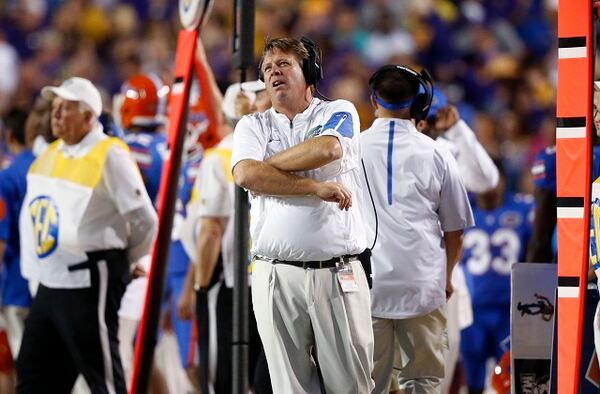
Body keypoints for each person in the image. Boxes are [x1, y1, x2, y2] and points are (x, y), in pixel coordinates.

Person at [231, 37, 374, 393]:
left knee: (351, 385)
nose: (273, 72)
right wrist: (313, 188)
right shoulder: (252, 125)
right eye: (267, 68)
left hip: (337, 271)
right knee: (288, 388)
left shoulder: (338, 111)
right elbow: (244, 176)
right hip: (273, 272)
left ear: (309, 72)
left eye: (284, 64)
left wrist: (267, 170)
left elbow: (327, 147)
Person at [16, 77, 157, 393]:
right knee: (33, 372)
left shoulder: (110, 154)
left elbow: (145, 220)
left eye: (66, 108)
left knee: (102, 376)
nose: (57, 114)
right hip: (49, 283)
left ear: (89, 116)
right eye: (55, 107)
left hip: (88, 279)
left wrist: (124, 260)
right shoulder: (51, 153)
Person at [360, 64, 474, 394]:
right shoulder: (437, 152)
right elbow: (455, 230)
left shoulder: (351, 147)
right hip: (424, 284)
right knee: (422, 383)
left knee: (369, 384)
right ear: (418, 105)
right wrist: (448, 277)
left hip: (368, 287)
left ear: (373, 100)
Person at [178, 78, 272, 394]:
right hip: (277, 273)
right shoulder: (281, 147)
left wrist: (202, 287)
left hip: (234, 281)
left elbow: (211, 231)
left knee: (225, 375)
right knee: (270, 372)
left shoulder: (219, 157)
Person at [415, 89, 499, 393]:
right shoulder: (394, 146)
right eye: (425, 115)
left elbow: (486, 180)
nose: (431, 122)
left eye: (435, 115)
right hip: (403, 271)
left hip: (443, 274)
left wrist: (459, 130)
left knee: (440, 372)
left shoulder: (449, 149)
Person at [459, 161, 532, 394]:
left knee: (513, 379)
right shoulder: (460, 209)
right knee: (473, 381)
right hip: (472, 310)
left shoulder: (523, 208)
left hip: (510, 309)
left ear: (501, 179)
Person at [0, 108, 35, 394]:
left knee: (23, 366)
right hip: (51, 281)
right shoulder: (48, 167)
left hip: (15, 284)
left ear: (9, 135)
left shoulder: (7, 177)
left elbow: (0, 241)